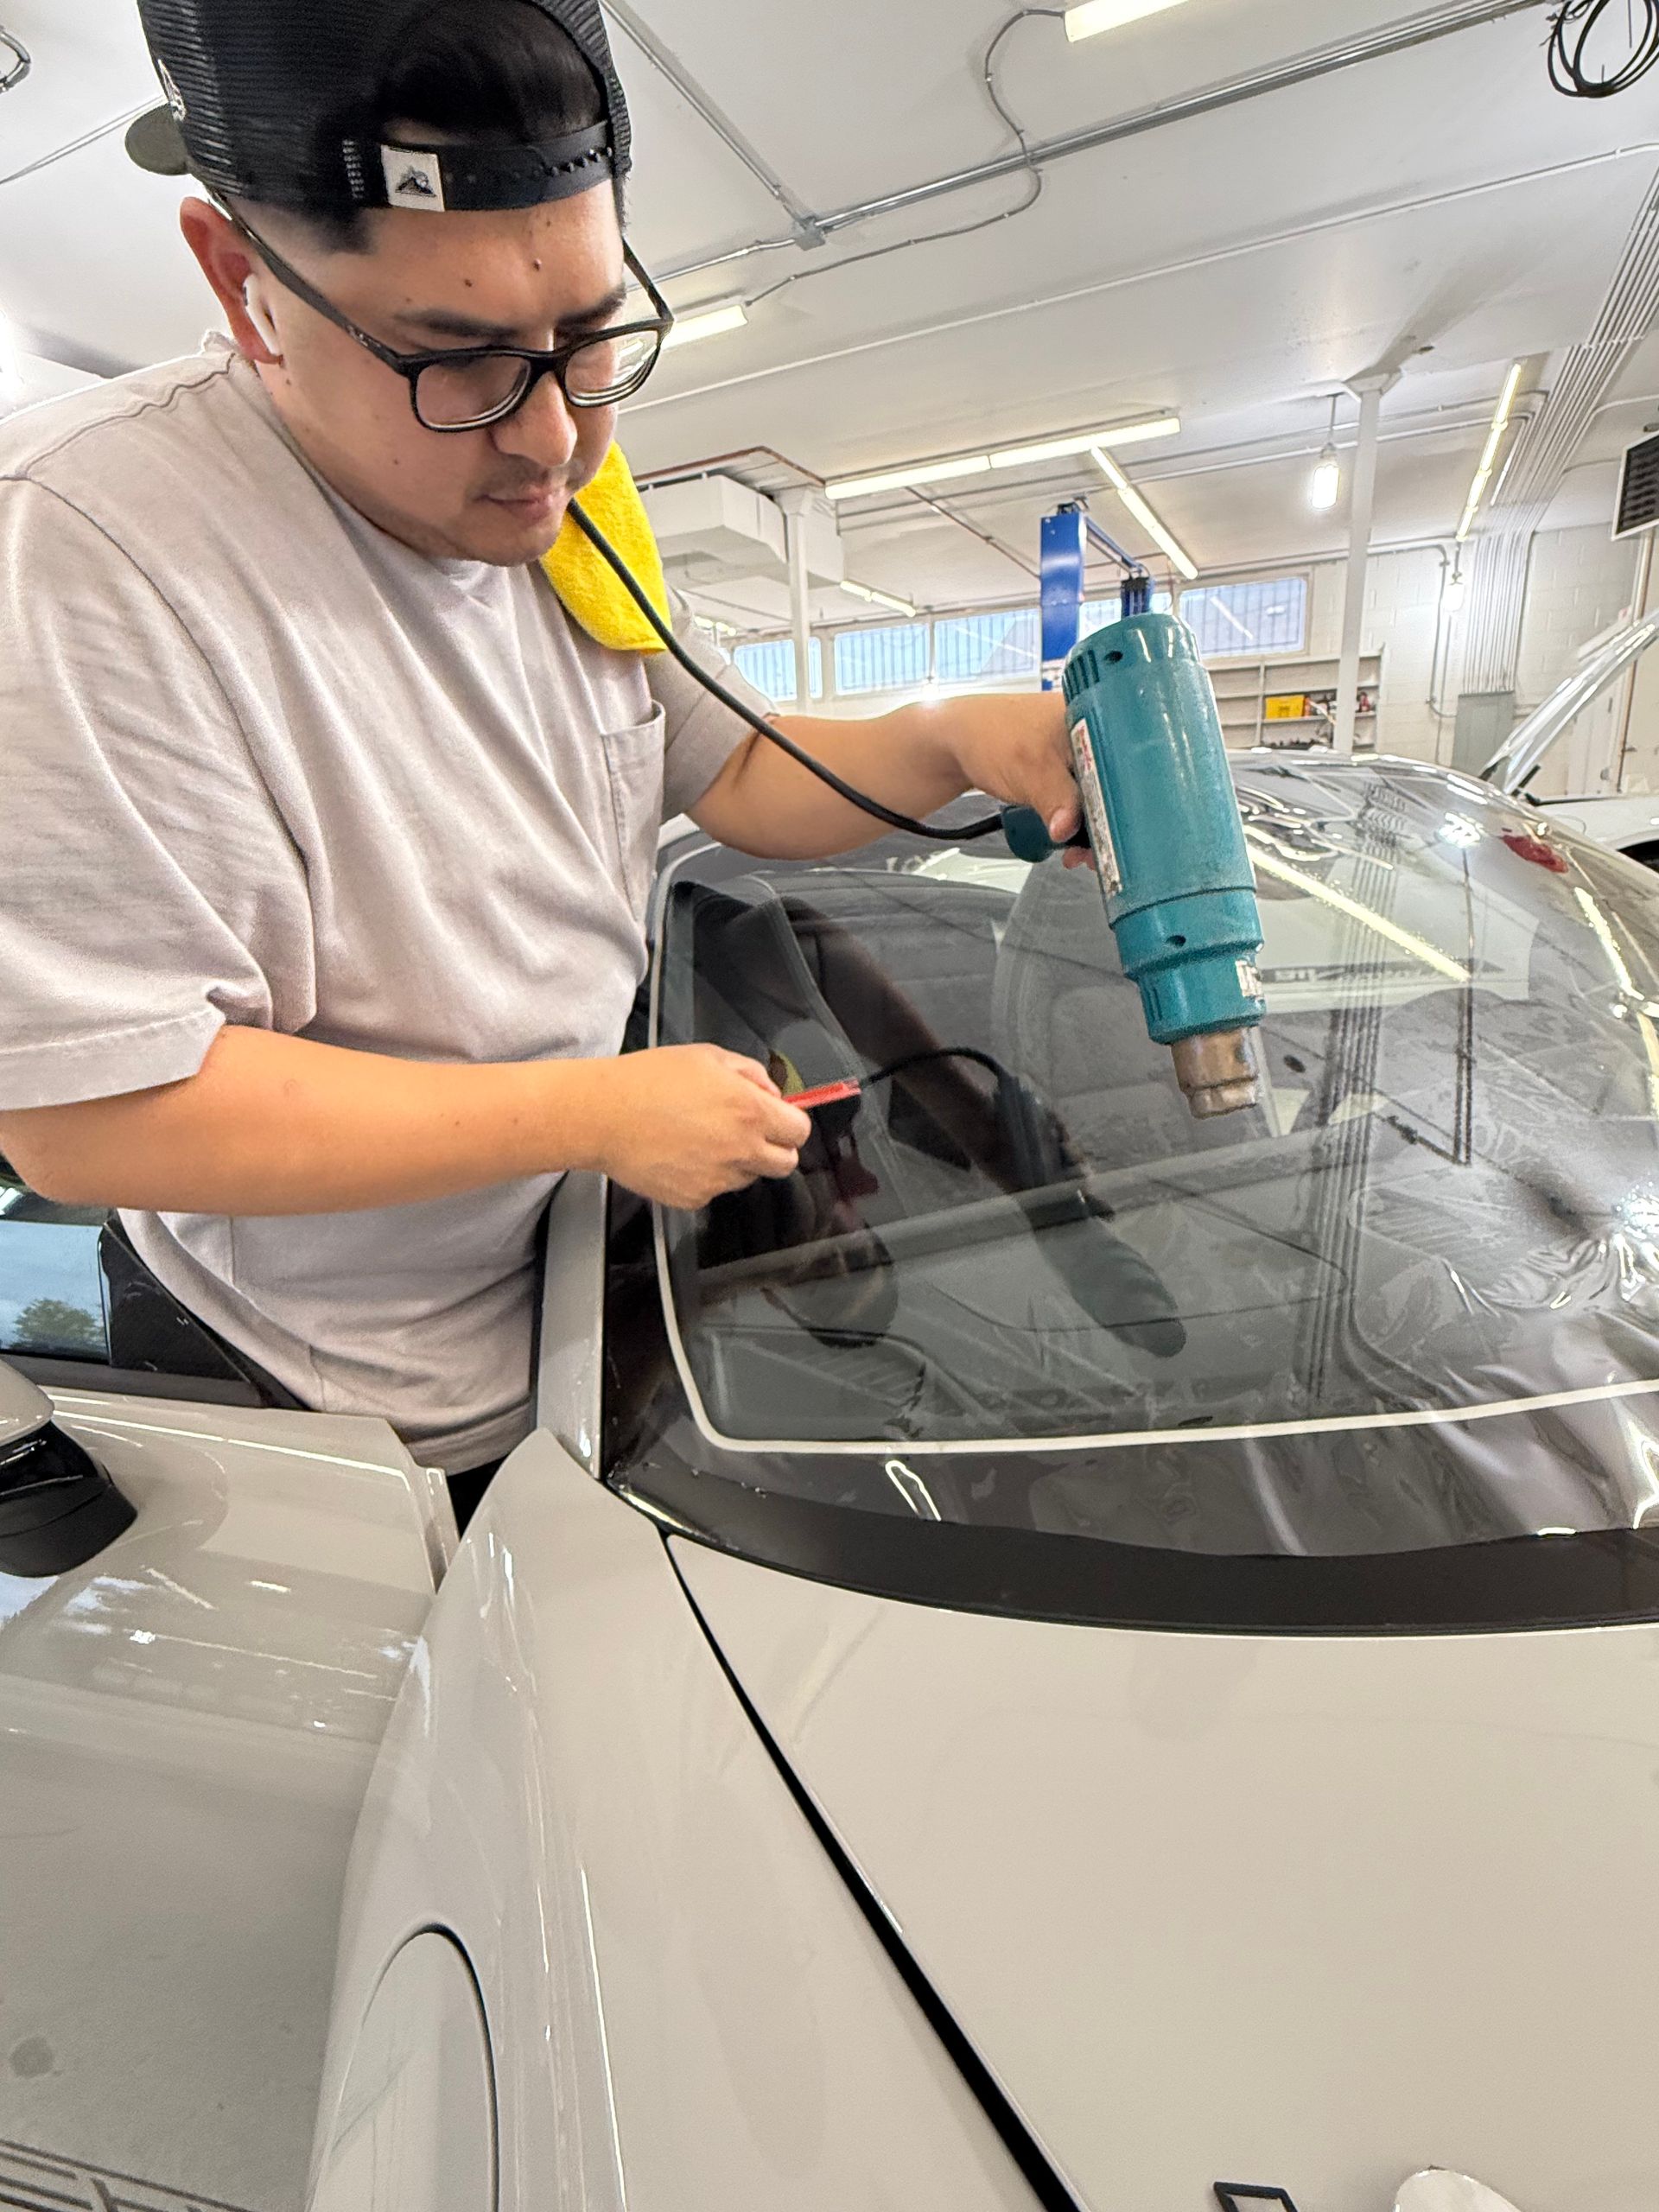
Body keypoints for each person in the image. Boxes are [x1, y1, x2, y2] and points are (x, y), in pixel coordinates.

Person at [0, 0, 1082, 1520]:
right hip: (332, 1384)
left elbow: (731, 769)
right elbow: (94, 1115)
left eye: (586, 337)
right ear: (245, 286)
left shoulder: (557, 481)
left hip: (565, 1280)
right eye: (457, 361)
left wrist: (952, 733)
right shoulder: (83, 558)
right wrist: (590, 1112)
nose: (552, 441)